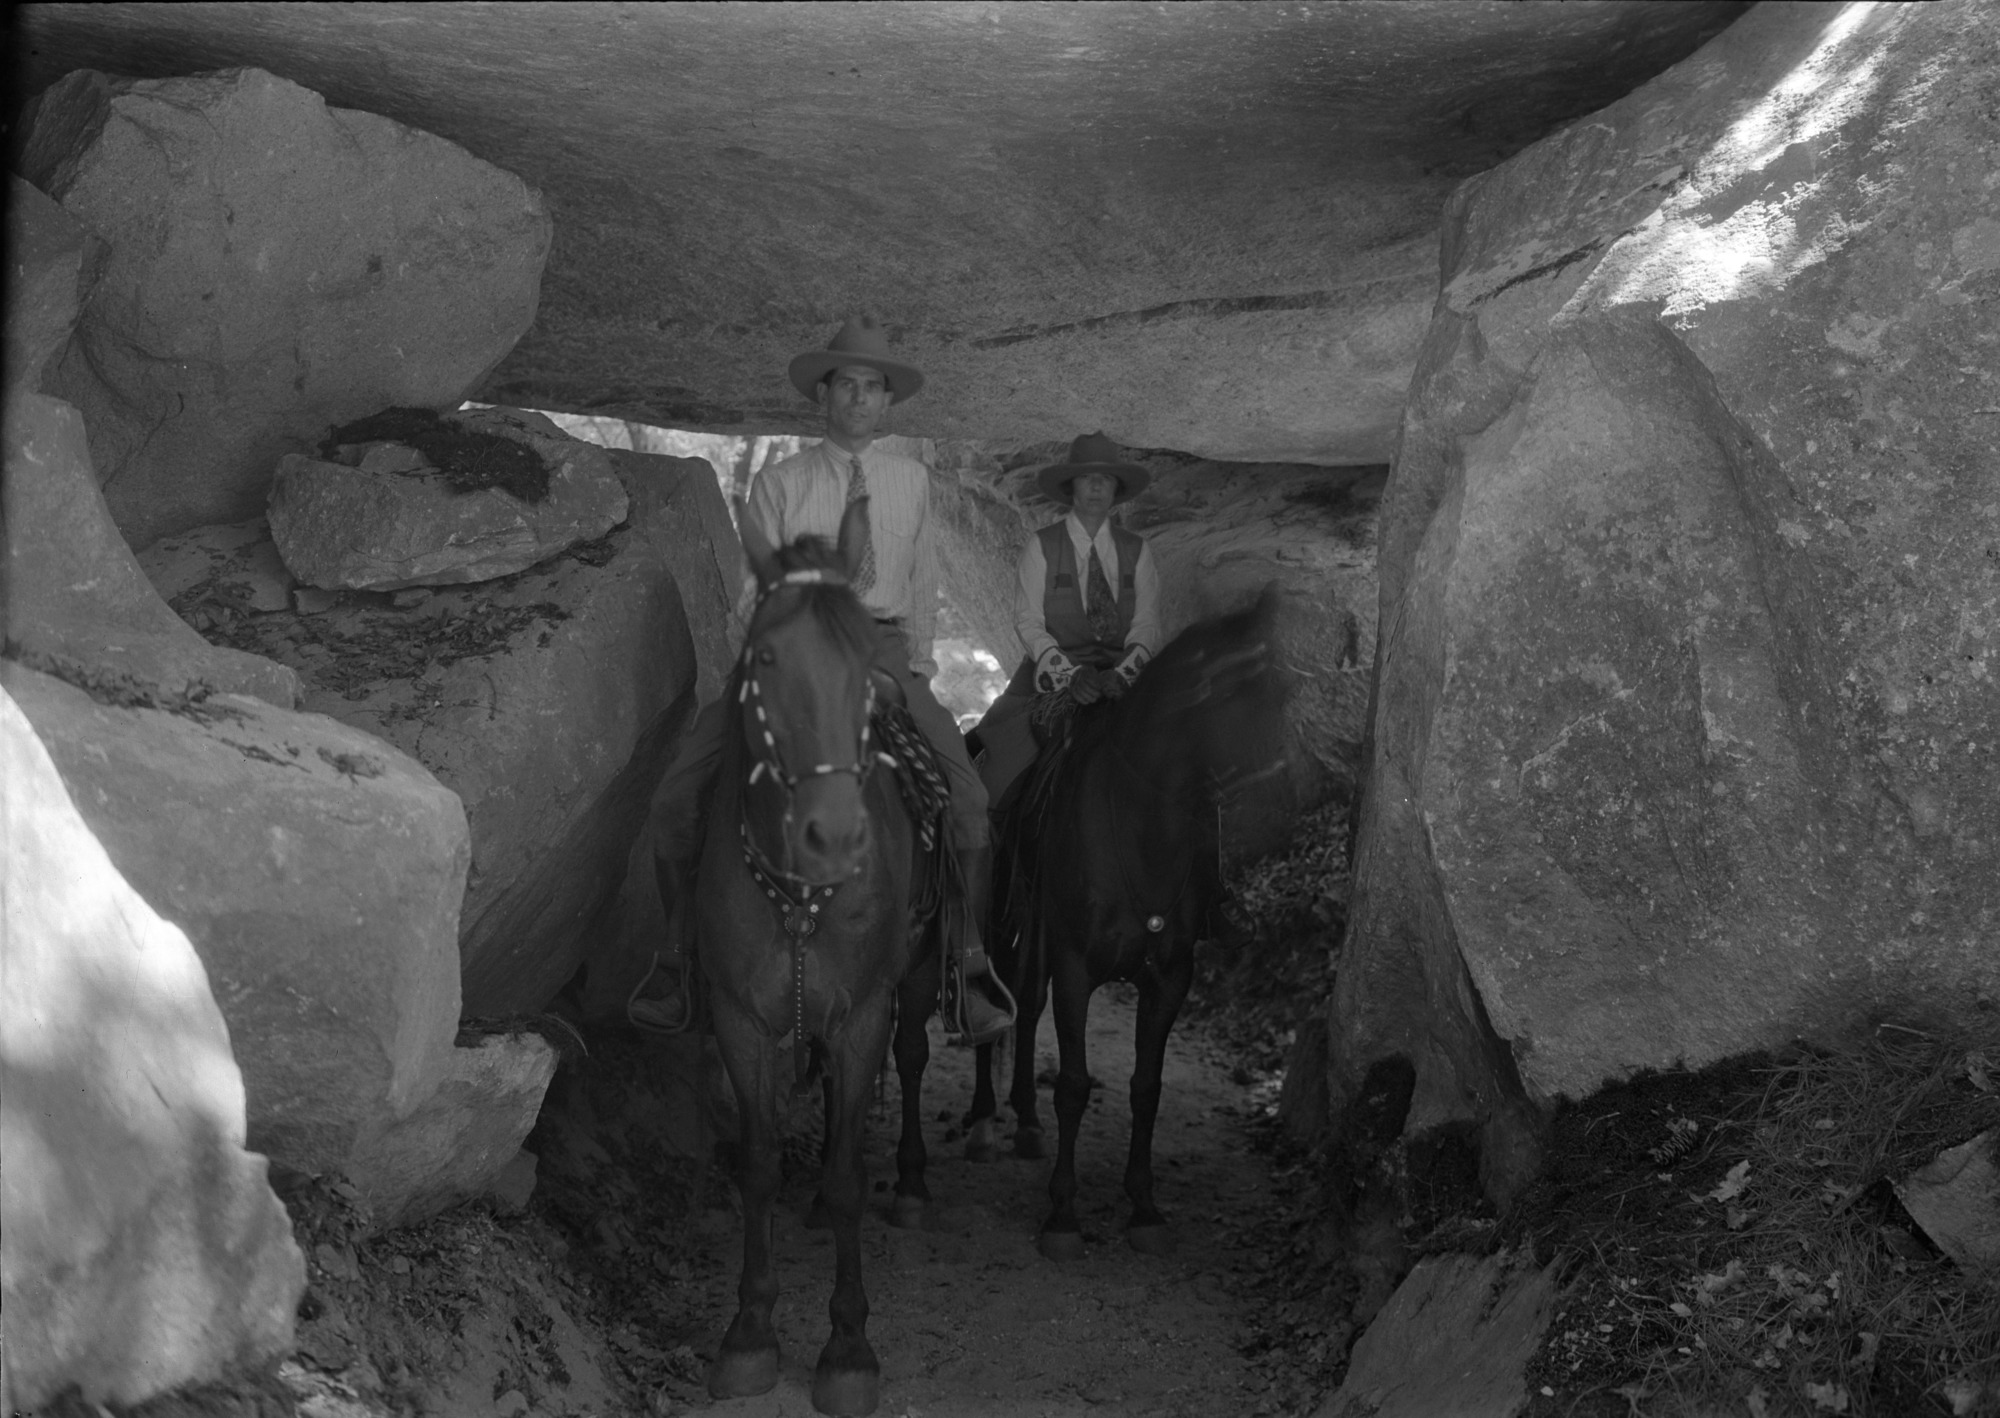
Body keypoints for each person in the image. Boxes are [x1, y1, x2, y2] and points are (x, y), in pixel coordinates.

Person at [629, 315, 1015, 1045]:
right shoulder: (781, 484)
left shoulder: (912, 484)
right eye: (847, 386)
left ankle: (967, 967)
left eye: (873, 388)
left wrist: (917, 670)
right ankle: (676, 958)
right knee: (679, 790)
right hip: (791, 649)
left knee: (968, 796)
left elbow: (923, 580)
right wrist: (756, 671)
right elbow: (753, 597)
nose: (860, 400)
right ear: (824, 396)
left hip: (882, 649)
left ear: (887, 402)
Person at [972, 432, 1161, 811]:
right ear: (1070, 486)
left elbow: (1148, 623)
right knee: (996, 776)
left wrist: (1122, 675)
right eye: (1086, 476)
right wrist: (1070, 675)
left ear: (1116, 488)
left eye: (1105, 478)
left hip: (1119, 676)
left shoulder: (1138, 550)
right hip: (1050, 676)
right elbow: (1028, 621)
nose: (1095, 485)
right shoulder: (1040, 546)